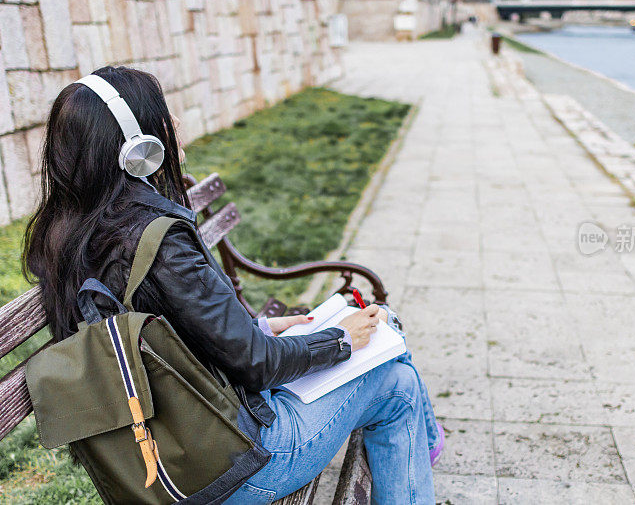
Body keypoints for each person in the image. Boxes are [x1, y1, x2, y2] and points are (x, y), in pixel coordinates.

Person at [23, 66, 443, 504]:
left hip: (164, 455)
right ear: (137, 146)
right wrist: (340, 340)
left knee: (385, 345)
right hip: (227, 468)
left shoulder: (65, 232)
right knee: (397, 382)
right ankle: (425, 448)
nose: (176, 124)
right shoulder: (155, 240)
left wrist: (259, 328)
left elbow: (163, 339)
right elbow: (256, 366)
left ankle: (427, 445)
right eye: (164, 113)